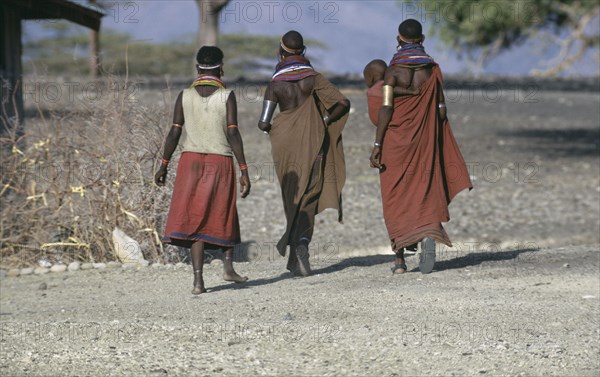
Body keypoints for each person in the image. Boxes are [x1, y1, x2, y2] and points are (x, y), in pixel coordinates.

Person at [369, 19, 472, 275]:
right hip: (425, 140)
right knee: (425, 188)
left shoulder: (392, 72)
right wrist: (432, 137)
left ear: (398, 39)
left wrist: (378, 143)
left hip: (395, 142)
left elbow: (386, 108)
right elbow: (440, 109)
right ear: (422, 40)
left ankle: (400, 260)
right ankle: (428, 233)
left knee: (394, 194)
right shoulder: (432, 70)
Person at [155, 46, 251, 294]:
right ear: (221, 67)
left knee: (196, 216)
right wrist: (243, 168)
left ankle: (198, 282)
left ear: (198, 68)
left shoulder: (184, 96)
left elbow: (175, 131)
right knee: (223, 210)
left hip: (190, 161)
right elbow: (232, 132)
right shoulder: (226, 96)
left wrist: (163, 164)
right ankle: (228, 267)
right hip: (219, 162)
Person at [258, 30, 351, 276]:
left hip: (285, 147)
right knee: (309, 194)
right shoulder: (314, 78)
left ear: (281, 50)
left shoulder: (275, 83)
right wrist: (324, 119)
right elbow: (343, 103)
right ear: (303, 50)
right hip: (313, 142)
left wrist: (277, 127)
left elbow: (264, 123)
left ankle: (294, 254)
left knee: (292, 194)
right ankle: (301, 247)